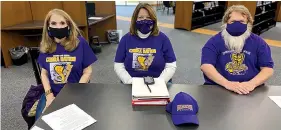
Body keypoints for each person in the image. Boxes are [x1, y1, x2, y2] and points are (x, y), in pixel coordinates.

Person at [36, 9, 97, 119]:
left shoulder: (80, 43)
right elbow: (44, 74)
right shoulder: (45, 46)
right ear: (48, 26)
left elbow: (88, 71)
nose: (58, 27)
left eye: (62, 23)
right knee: (41, 121)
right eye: (54, 23)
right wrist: (49, 95)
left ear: (68, 26)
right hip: (53, 94)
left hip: (77, 92)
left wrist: (77, 92)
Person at [200, 5, 274, 95]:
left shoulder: (259, 43)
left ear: (249, 23)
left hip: (250, 89)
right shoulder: (214, 42)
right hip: (219, 87)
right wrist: (227, 84)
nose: (237, 25)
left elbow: (268, 69)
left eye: (242, 22)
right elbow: (206, 66)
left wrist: (251, 84)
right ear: (226, 22)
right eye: (233, 21)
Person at [114, 3, 177, 84]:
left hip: (159, 82)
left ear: (154, 20)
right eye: (140, 17)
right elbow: (118, 65)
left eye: (148, 18)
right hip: (131, 83)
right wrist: (130, 82)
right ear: (135, 20)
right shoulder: (125, 39)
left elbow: (171, 65)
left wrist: (160, 82)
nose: (145, 20)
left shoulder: (163, 39)